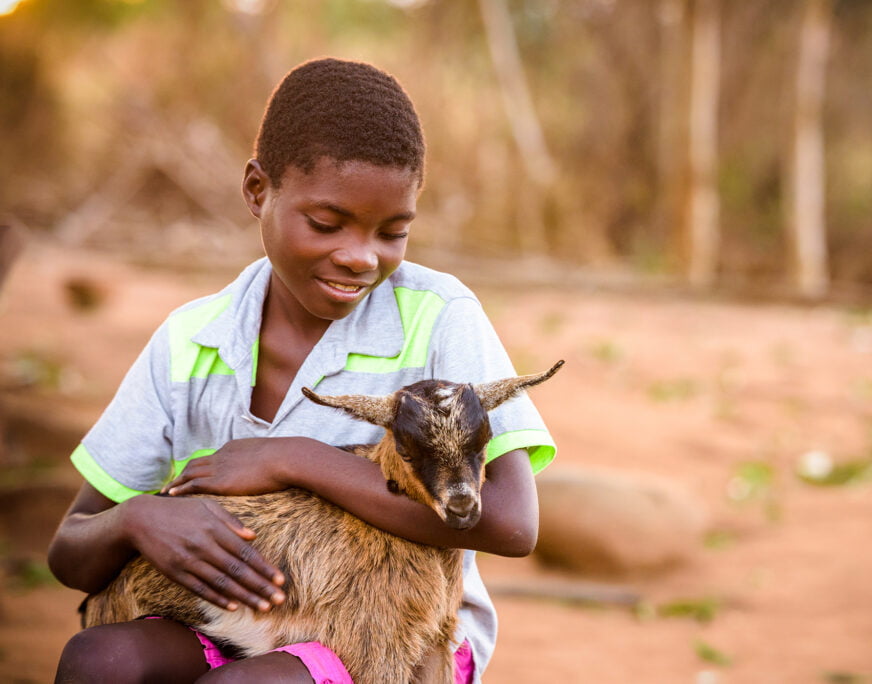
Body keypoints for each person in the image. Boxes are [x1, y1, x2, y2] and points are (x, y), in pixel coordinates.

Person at [47, 57, 556, 684]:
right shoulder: (191, 341)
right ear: (258, 189)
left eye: (393, 232)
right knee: (100, 662)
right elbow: (71, 550)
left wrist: (293, 458)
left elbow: (509, 521)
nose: (360, 257)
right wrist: (137, 518)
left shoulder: (438, 317)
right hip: (228, 620)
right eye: (326, 224)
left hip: (390, 632)